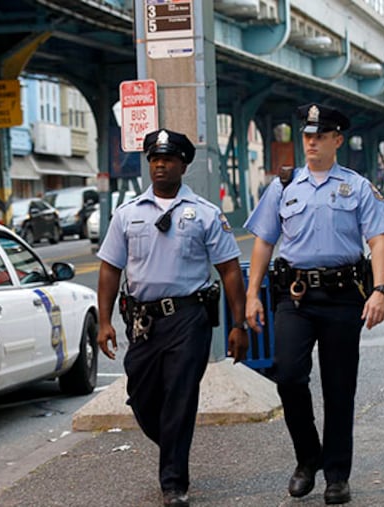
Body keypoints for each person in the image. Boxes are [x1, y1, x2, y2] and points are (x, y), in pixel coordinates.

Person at [244, 103, 384, 505]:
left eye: (320, 135)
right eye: (307, 135)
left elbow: (378, 240)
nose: (311, 142)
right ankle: (306, 458)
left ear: (337, 140)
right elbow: (264, 241)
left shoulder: (357, 186)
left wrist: (380, 291)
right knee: (288, 376)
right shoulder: (283, 186)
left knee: (338, 388)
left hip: (343, 298)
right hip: (294, 297)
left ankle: (336, 475)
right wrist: (251, 294)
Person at [96, 128, 249, 507]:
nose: (160, 165)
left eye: (167, 159)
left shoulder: (206, 214)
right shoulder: (127, 215)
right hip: (143, 322)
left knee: (180, 396)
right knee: (142, 396)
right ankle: (174, 443)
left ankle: (174, 483)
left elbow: (229, 270)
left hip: (189, 318)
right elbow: (109, 270)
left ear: (183, 164)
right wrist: (104, 321)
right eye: (154, 159)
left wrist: (238, 325)